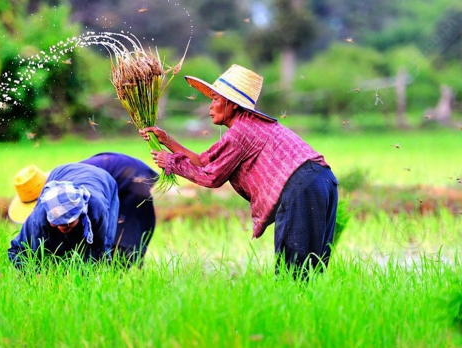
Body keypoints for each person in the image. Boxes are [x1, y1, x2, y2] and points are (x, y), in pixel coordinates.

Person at [140, 64, 339, 278]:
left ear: (232, 105)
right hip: (323, 181)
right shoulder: (249, 125)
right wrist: (166, 140)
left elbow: (211, 177)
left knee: (294, 272)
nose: (210, 106)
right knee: (313, 266)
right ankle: (307, 308)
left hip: (302, 186)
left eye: (215, 99)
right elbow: (203, 161)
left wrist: (171, 163)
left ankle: (295, 308)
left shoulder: (241, 131)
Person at [7, 153, 157, 269]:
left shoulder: (96, 209)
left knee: (119, 243)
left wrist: (86, 274)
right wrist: (36, 273)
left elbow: (100, 249)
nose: (62, 227)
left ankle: (125, 274)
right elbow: (17, 250)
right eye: (57, 223)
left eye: (69, 222)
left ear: (81, 213)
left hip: (127, 177)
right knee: (49, 242)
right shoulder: (40, 215)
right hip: (88, 179)